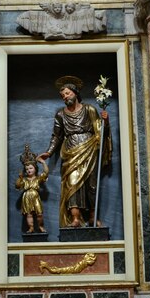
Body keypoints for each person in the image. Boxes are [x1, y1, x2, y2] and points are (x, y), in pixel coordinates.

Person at [39, 76, 112, 228]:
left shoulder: (89, 109)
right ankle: (76, 219)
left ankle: (92, 217)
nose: (65, 97)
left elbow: (100, 131)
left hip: (90, 149)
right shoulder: (60, 114)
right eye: (63, 95)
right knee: (72, 184)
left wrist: (105, 121)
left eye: (67, 93)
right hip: (71, 150)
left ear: (75, 93)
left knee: (91, 185)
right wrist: (49, 152)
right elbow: (56, 136)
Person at [15, 145, 49, 233]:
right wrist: (20, 178)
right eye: (27, 169)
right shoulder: (24, 179)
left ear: (35, 168)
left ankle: (41, 227)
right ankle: (31, 228)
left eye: (30, 168)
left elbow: (45, 173)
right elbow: (18, 186)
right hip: (26, 197)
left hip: (35, 196)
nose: (29, 170)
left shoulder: (38, 178)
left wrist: (43, 163)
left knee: (39, 213)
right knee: (29, 214)